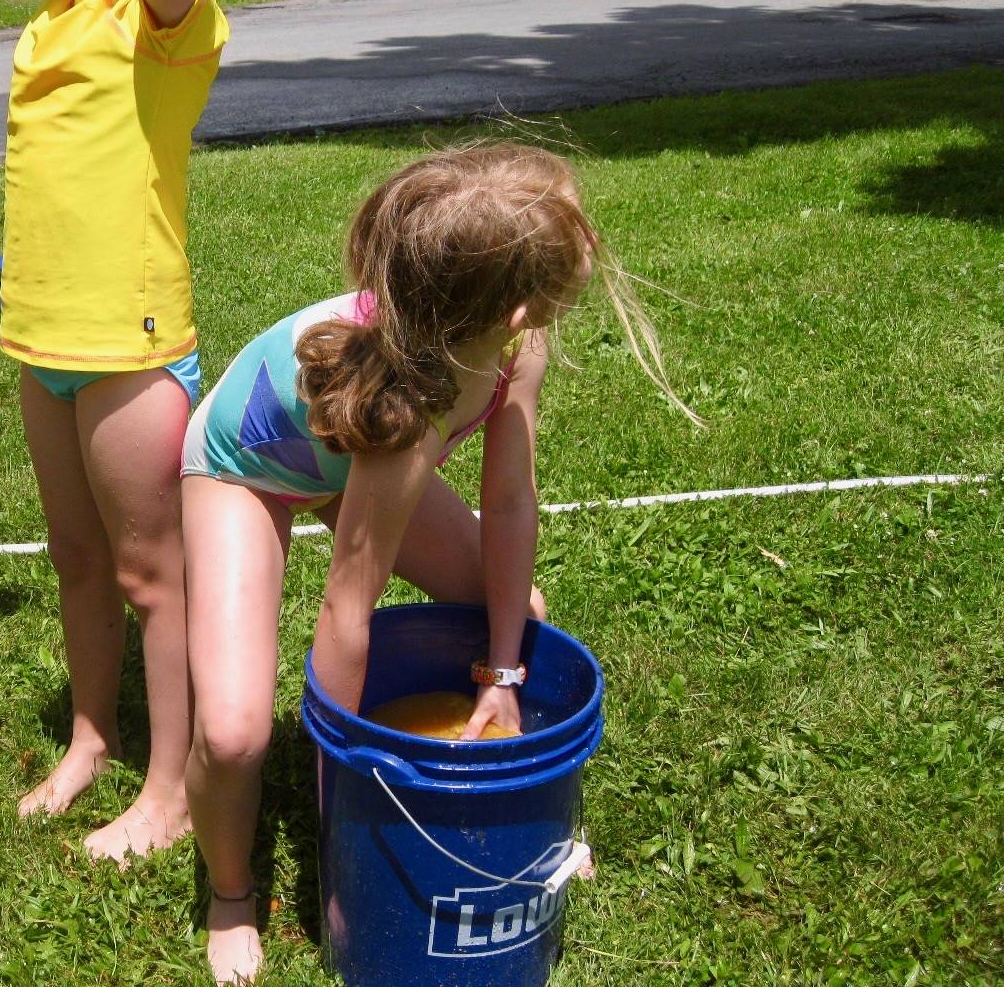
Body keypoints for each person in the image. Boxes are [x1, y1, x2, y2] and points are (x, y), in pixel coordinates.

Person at [180, 144, 699, 983]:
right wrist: (348, 798)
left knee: (516, 610)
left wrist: (503, 672)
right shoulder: (404, 416)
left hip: (356, 447)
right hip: (252, 468)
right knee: (235, 734)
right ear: (519, 306)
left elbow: (512, 503)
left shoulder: (512, 353)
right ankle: (231, 892)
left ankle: (517, 798)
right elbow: (348, 605)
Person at [0, 0, 229, 861]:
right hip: (42, 343)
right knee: (76, 560)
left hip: (127, 350)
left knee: (150, 577)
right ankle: (93, 736)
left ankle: (174, 787)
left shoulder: (165, 19)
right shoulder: (64, 0)